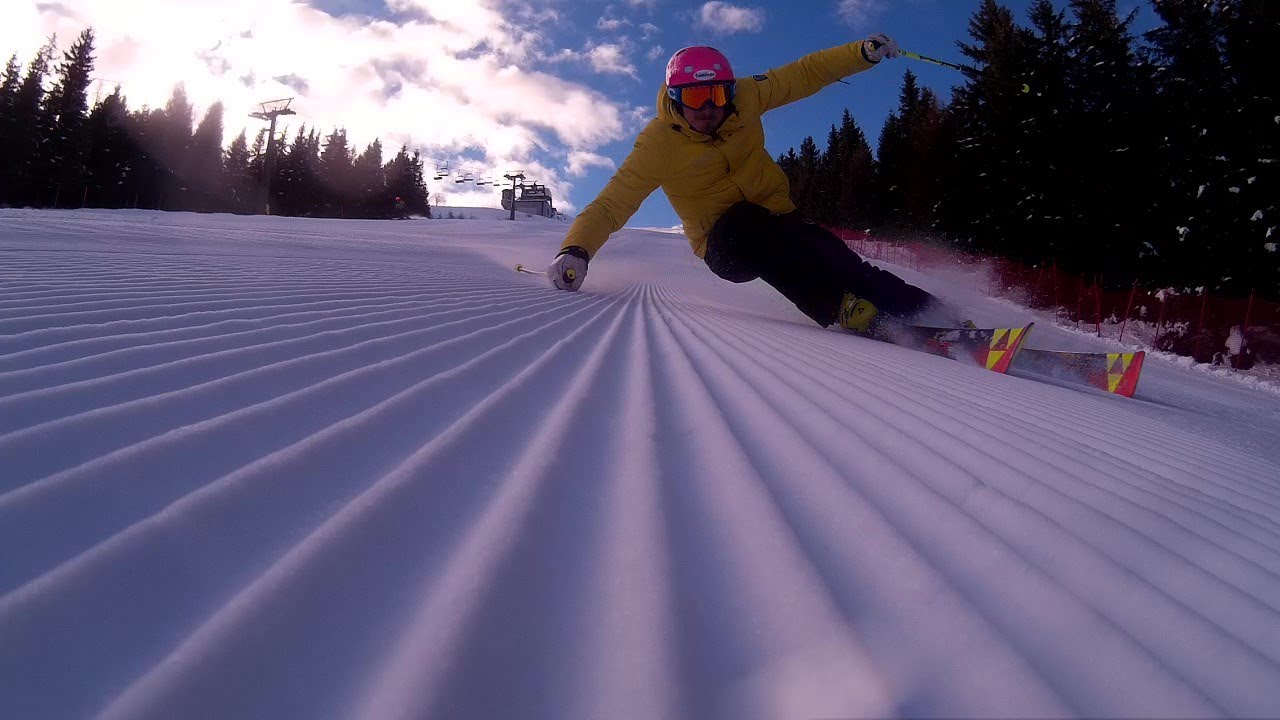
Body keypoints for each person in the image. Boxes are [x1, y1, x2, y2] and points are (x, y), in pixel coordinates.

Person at [546, 34, 959, 335]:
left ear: (729, 91)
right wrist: (576, 249)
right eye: (693, 99)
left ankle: (935, 315)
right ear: (674, 99)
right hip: (725, 246)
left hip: (777, 217)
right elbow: (612, 202)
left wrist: (860, 53)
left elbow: (804, 74)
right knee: (750, 226)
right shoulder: (658, 144)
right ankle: (839, 307)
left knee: (836, 256)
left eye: (716, 95)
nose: (708, 109)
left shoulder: (746, 98)